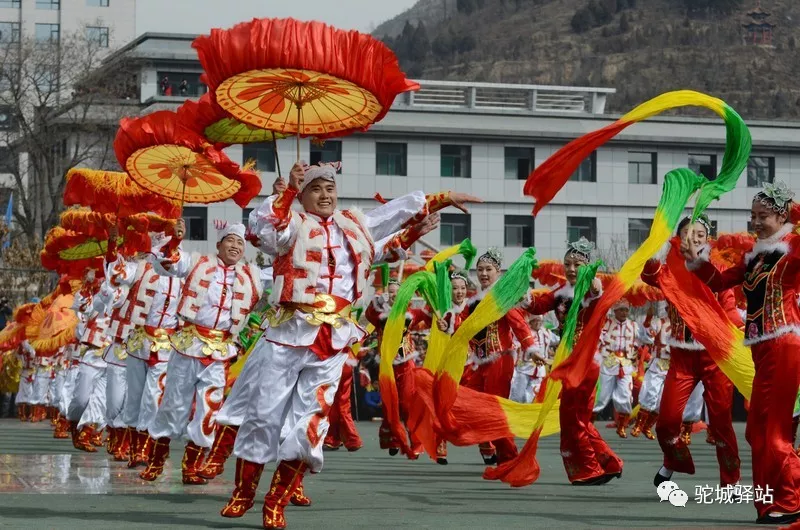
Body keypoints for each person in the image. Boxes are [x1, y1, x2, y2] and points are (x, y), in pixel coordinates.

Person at [225, 161, 480, 529]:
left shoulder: (354, 224)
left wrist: (439, 201)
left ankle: (275, 501)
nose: (325, 196)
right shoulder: (291, 225)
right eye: (316, 190)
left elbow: (385, 232)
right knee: (263, 416)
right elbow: (262, 230)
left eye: (330, 189)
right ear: (303, 196)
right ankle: (243, 492)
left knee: (310, 423)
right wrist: (285, 193)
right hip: (288, 334)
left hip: (334, 340)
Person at [685, 181, 800, 524]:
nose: (754, 222)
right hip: (762, 350)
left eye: (763, 215)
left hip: (785, 346)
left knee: (774, 433)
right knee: (755, 432)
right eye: (752, 215)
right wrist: (695, 258)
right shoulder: (755, 255)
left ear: (782, 216)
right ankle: (770, 502)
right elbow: (720, 280)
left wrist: (792, 205)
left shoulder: (794, 247)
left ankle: (792, 498)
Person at [140, 219, 262, 485]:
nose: (236, 246)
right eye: (230, 240)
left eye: (240, 242)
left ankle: (191, 466)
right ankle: (156, 460)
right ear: (218, 244)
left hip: (219, 352)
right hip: (188, 345)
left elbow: (282, 273)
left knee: (209, 410)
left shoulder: (251, 275)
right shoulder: (197, 262)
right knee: (174, 405)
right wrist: (175, 238)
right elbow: (168, 262)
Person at [642, 216, 741, 494]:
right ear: (679, 238)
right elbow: (648, 276)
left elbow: (730, 307)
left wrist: (743, 333)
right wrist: (658, 253)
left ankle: (730, 482)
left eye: (700, 234)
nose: (694, 239)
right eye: (687, 233)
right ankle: (674, 461)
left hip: (716, 357)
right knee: (667, 422)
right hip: (682, 357)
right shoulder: (669, 270)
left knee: (720, 423)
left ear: (707, 239)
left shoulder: (717, 269)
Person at [523, 238, 622, 485]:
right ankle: (609, 462)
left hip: (586, 362)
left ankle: (588, 470)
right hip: (568, 362)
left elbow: (599, 300)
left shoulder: (592, 291)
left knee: (572, 419)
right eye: (567, 264)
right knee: (577, 418)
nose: (571, 269)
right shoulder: (561, 293)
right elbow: (537, 305)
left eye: (577, 264)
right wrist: (520, 289)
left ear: (587, 266)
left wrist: (596, 288)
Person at [100, 233, 183, 469]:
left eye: (171, 246)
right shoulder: (140, 267)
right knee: (134, 398)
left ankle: (145, 449)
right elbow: (116, 283)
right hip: (137, 342)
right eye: (162, 246)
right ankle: (135, 448)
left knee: (153, 397)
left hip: (166, 346)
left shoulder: (182, 276)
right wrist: (113, 250)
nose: (167, 250)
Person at [460, 248, 536, 465]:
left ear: (498, 272)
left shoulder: (502, 297)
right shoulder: (473, 301)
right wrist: (447, 326)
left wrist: (530, 346)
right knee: (471, 405)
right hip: (478, 362)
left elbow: (518, 323)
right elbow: (461, 327)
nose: (484, 273)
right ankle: (489, 448)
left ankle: (509, 457)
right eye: (480, 269)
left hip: (500, 360)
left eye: (488, 269)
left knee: (494, 410)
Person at [593, 300, 653, 438]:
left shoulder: (633, 325)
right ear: (615, 311)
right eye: (621, 310)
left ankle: (621, 426)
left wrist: (648, 319)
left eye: (626, 310)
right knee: (602, 397)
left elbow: (647, 338)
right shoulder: (606, 324)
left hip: (626, 364)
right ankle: (589, 423)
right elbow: (596, 336)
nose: (624, 313)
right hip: (608, 363)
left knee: (625, 396)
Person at [434, 270, 471, 464]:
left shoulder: (475, 307)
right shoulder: (448, 312)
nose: (459, 292)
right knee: (446, 404)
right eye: (455, 288)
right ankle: (441, 447)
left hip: (474, 364)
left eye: (462, 288)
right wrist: (443, 327)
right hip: (453, 365)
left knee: (475, 406)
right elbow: (446, 327)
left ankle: (488, 446)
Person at [630, 305, 669, 439]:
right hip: (658, 365)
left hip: (674, 368)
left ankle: (647, 427)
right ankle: (638, 426)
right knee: (650, 394)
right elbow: (647, 336)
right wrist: (649, 316)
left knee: (663, 400)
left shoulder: (684, 325)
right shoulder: (660, 322)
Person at [509, 315, 559, 404]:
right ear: (530, 322)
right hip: (524, 369)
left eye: (540, 320)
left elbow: (558, 340)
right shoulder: (525, 332)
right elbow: (514, 344)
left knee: (534, 395)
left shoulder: (546, 332)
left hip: (540, 370)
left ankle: (528, 414)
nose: (538, 323)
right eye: (535, 320)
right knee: (518, 395)